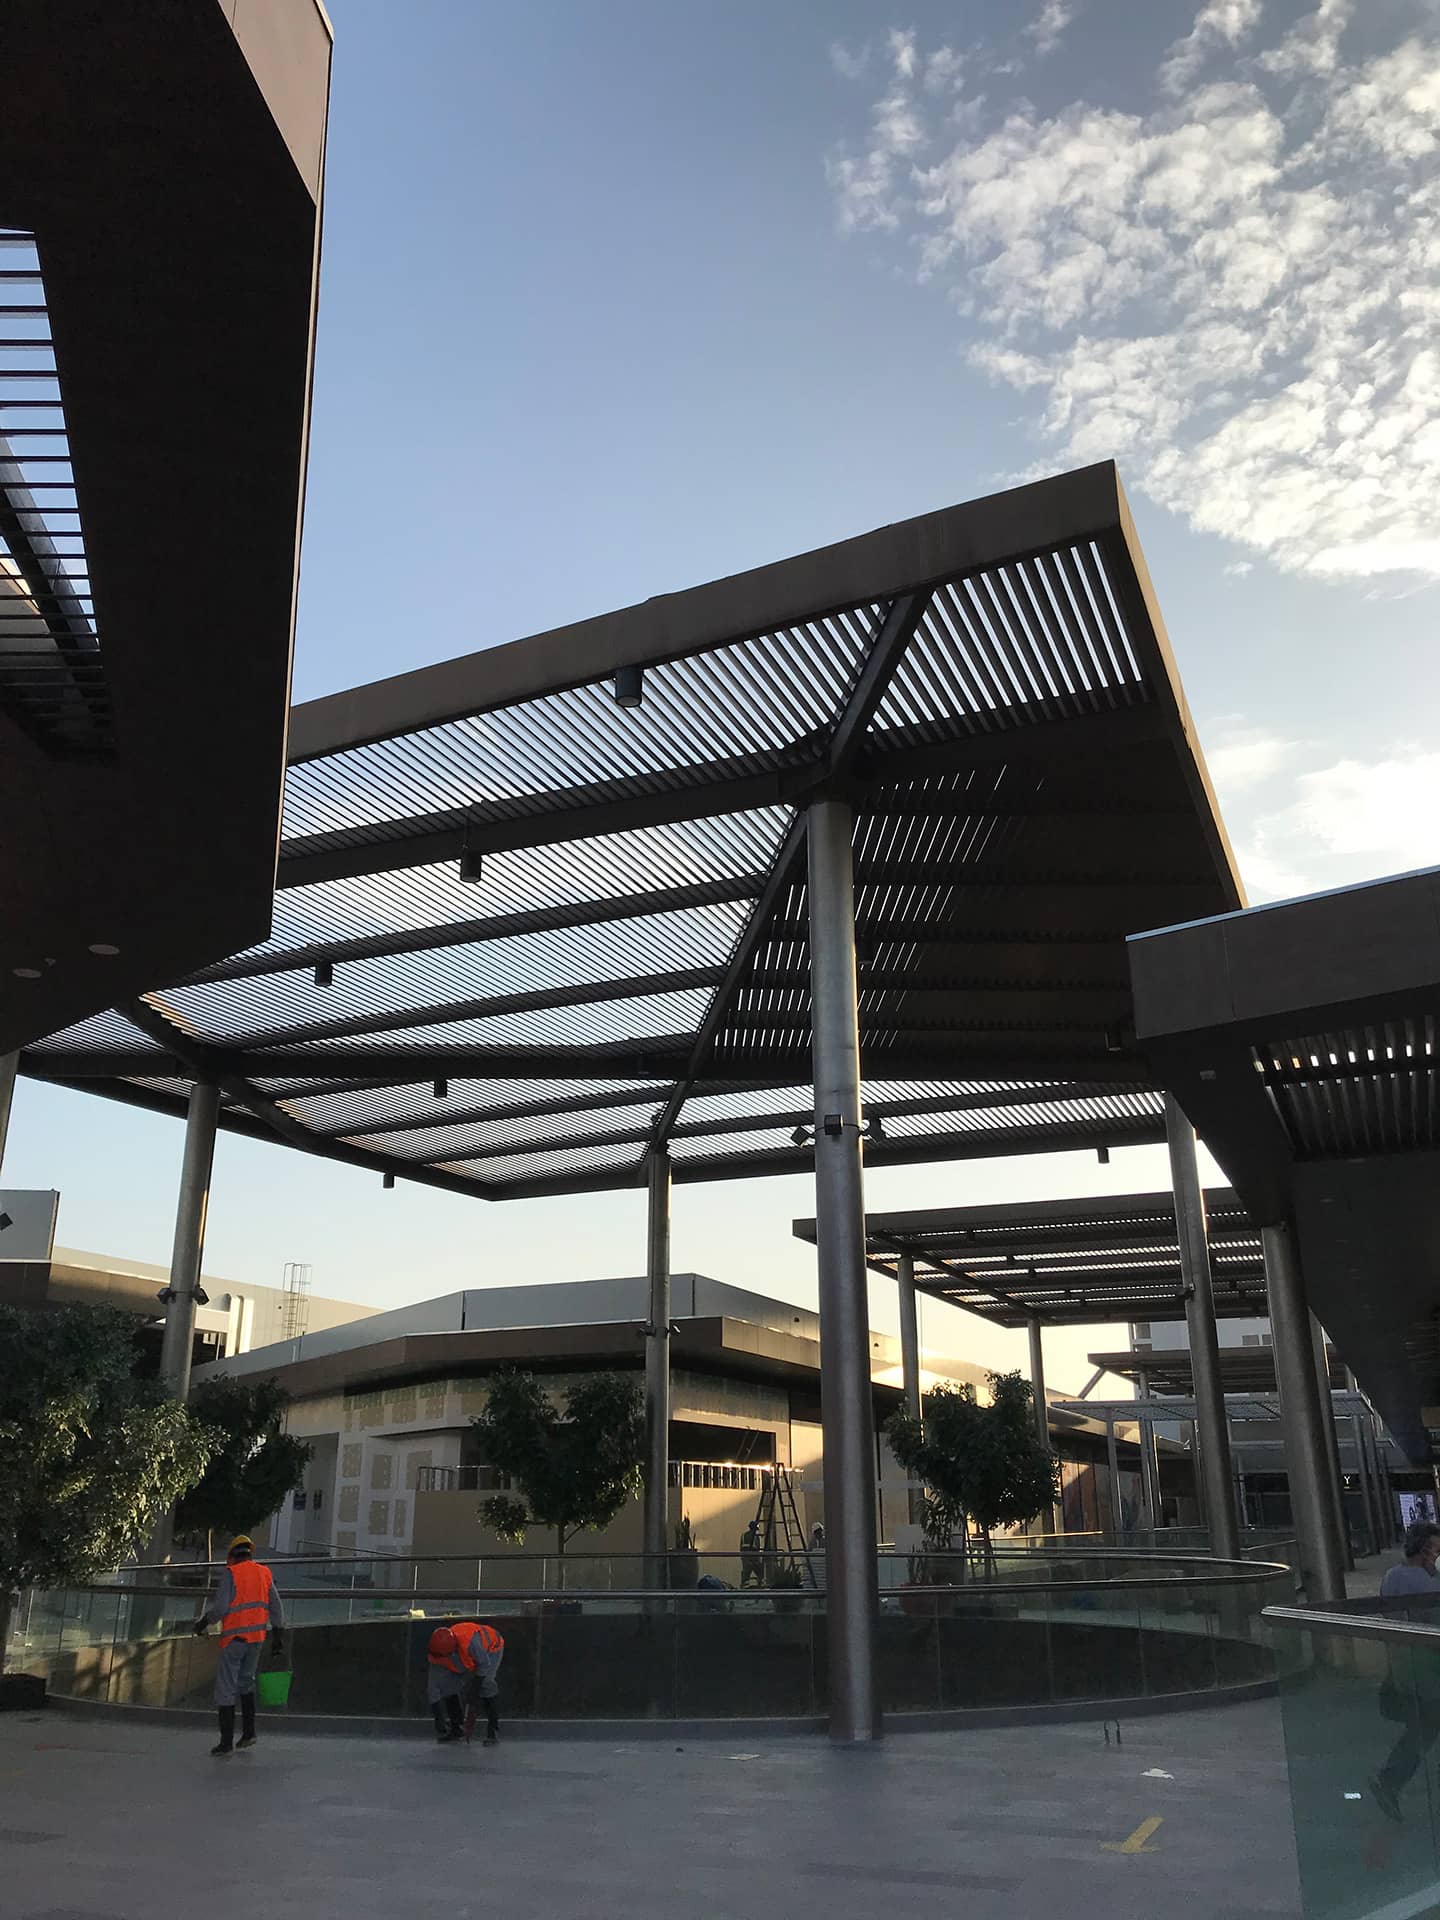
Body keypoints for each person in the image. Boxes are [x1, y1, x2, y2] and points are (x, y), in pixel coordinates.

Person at [1369, 1521, 1440, 1822]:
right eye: (1436, 1550)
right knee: (1426, 1727)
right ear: (1425, 1550)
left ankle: (1390, 1780)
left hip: (1405, 1665)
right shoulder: (1428, 1583)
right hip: (1428, 1667)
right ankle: (1390, 1780)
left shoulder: (1392, 1576)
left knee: (1425, 1728)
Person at [192, 1534, 285, 1758]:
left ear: (232, 1555)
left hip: (234, 1640)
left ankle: (226, 1742)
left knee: (226, 1688)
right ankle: (249, 1733)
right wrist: (278, 1636)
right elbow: (276, 1607)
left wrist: (203, 1623)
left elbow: (220, 1608)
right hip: (257, 1639)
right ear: (250, 1553)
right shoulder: (264, 1572)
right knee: (246, 1682)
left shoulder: (231, 1573)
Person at [427, 1619, 503, 1746]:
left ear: (453, 1650)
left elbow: (484, 1664)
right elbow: (433, 1686)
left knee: (486, 1684)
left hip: (491, 1648)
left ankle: (493, 1731)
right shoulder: (437, 1651)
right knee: (448, 1686)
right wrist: (438, 1716)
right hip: (466, 1657)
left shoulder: (471, 1642)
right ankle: (457, 1729)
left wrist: (475, 1688)